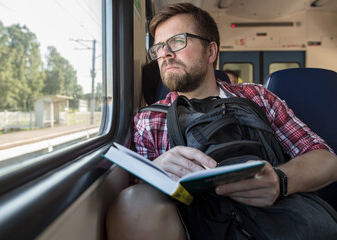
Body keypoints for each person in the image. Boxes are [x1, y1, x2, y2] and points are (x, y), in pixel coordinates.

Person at [106, 3, 337, 240]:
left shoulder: (257, 97)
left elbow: (327, 161)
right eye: (158, 47)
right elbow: (140, 193)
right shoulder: (149, 119)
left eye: (177, 41)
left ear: (211, 52)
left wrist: (281, 180)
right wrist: (157, 169)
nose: (164, 53)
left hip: (276, 222)